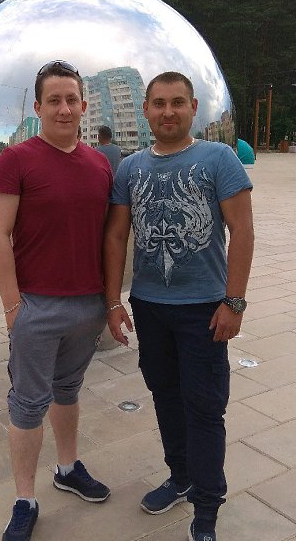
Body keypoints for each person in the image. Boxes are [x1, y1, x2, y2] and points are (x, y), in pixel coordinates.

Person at [103, 71, 254, 541]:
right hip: (150, 307)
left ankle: (207, 507)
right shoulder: (130, 168)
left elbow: (242, 231)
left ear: (192, 108)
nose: (168, 112)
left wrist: (234, 302)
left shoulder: (219, 158)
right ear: (146, 110)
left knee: (205, 409)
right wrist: (112, 301)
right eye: (159, 103)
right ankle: (181, 475)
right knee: (165, 395)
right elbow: (116, 235)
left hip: (203, 310)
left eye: (177, 103)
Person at [0, 60, 113, 541]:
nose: (64, 108)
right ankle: (24, 499)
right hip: (36, 307)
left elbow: (109, 237)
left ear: (84, 105)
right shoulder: (15, 160)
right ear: (38, 107)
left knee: (68, 390)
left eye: (71, 99)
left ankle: (67, 468)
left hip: (87, 306)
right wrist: (12, 306)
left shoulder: (100, 164)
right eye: (54, 100)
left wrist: (109, 302)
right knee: (27, 404)